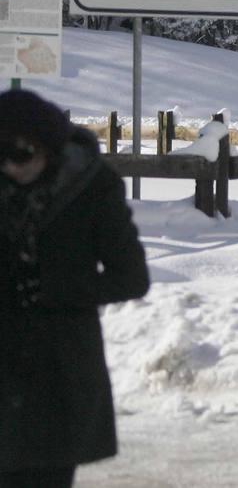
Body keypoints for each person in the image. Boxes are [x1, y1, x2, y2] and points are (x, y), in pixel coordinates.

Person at [1, 89, 150, 488]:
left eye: (21, 154)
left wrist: (57, 289)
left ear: (48, 149)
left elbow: (132, 277)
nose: (11, 168)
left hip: (59, 369)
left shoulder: (90, 188)